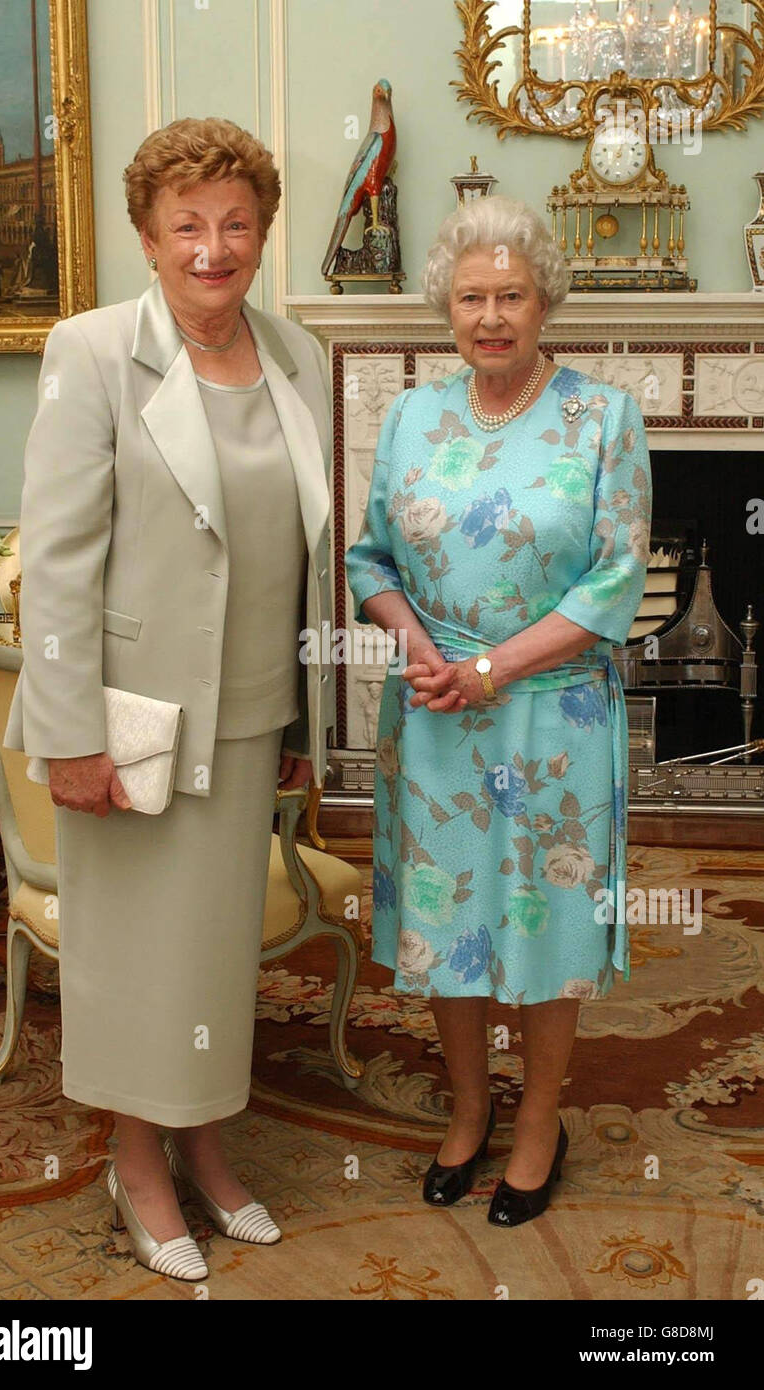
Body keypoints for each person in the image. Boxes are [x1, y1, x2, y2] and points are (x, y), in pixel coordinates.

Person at [4, 116, 335, 1279]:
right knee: (137, 961)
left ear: (261, 232)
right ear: (148, 237)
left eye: (235, 222)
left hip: (250, 717)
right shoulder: (92, 351)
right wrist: (71, 735)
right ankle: (135, 1161)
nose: (214, 246)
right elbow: (54, 559)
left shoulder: (298, 355)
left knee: (210, 956)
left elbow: (302, 555)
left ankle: (203, 1137)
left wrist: (305, 720)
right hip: (132, 724)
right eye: (187, 225)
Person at [345, 194, 651, 1227]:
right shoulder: (409, 416)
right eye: (471, 296)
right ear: (446, 305)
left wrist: (491, 669)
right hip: (434, 712)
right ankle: (470, 1111)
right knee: (447, 924)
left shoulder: (602, 415)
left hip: (549, 718)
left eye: (510, 295)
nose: (490, 316)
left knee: (545, 920)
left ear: (543, 300)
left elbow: (613, 582)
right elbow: (369, 558)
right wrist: (423, 649)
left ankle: (539, 1122)